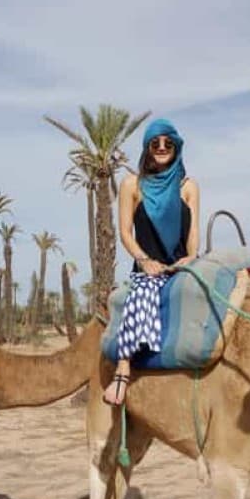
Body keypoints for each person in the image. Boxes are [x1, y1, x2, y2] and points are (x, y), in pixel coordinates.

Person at [103, 119, 200, 406]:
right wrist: (145, 261)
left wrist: (191, 257)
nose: (161, 148)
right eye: (155, 143)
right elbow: (124, 233)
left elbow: (193, 230)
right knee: (144, 290)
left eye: (167, 143)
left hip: (182, 264)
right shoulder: (132, 185)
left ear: (176, 147)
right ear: (147, 147)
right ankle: (123, 368)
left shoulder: (188, 186)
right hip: (148, 267)